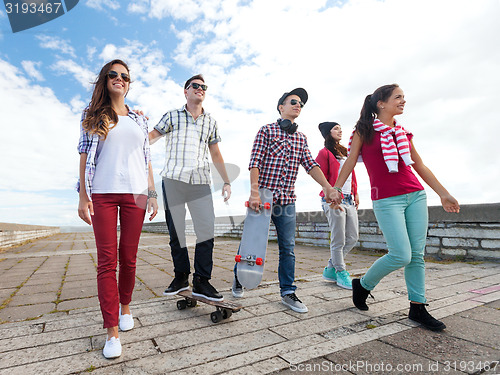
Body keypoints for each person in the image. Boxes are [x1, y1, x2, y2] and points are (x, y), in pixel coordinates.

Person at [330, 84, 460, 331]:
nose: (403, 101)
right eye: (398, 97)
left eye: (403, 97)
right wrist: (336, 188)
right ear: (381, 103)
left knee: (417, 255)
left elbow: (419, 166)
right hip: (386, 198)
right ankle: (364, 285)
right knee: (401, 253)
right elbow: (350, 161)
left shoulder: (403, 133)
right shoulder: (364, 131)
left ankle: (417, 307)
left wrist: (443, 194)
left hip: (415, 195)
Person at [77, 59, 158, 358]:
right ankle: (111, 330)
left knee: (130, 257)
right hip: (103, 192)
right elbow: (84, 155)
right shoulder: (93, 115)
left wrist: (152, 193)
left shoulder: (139, 119)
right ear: (105, 80)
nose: (119, 79)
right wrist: (82, 195)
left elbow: (146, 159)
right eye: (113, 74)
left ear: (128, 83)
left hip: (136, 194)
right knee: (107, 261)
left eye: (124, 76)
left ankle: (126, 308)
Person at [231, 88, 336, 313]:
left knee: (287, 247)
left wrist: (327, 187)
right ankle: (239, 278)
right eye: (293, 101)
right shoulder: (266, 131)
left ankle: (288, 292)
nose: (298, 105)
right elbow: (255, 162)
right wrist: (254, 193)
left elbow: (310, 165)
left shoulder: (301, 138)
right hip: (264, 197)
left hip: (287, 200)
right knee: (251, 241)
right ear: (281, 107)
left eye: (301, 104)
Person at [149, 74, 231, 302]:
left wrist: (226, 180)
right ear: (185, 91)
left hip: (201, 182)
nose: (200, 89)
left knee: (206, 232)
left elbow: (215, 153)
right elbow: (152, 137)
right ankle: (181, 276)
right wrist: (132, 137)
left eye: (204, 86)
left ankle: (202, 281)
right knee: (177, 234)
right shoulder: (172, 116)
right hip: (173, 180)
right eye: (195, 86)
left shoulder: (210, 122)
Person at [316, 122, 359, 289]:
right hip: (333, 200)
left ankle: (330, 268)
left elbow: (351, 173)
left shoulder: (345, 152)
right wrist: (330, 195)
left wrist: (355, 192)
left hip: (349, 199)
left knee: (353, 237)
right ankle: (341, 272)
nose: (340, 130)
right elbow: (320, 176)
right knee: (338, 239)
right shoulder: (324, 153)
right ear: (328, 133)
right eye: (336, 128)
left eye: (341, 127)